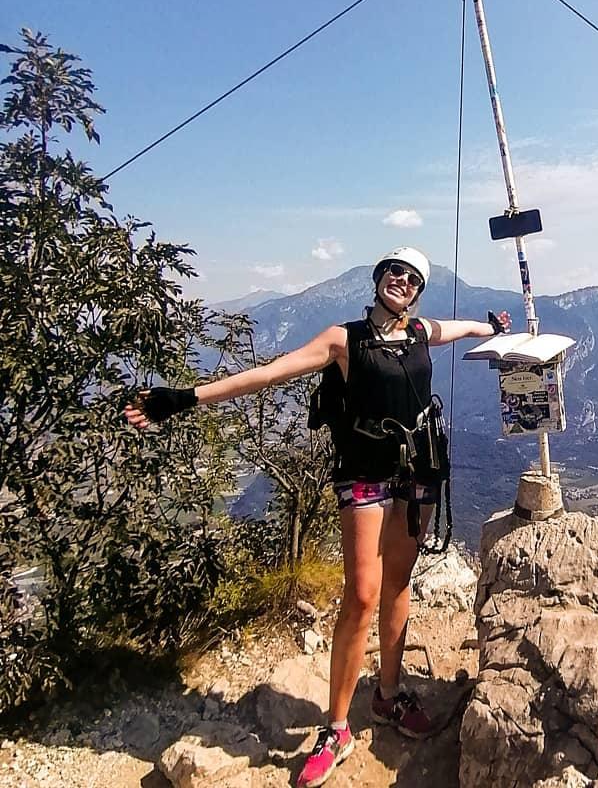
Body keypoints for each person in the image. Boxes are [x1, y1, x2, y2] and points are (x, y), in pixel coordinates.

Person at [123, 246, 510, 788]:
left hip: (417, 471)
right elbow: (269, 374)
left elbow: (460, 328)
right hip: (365, 477)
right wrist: (184, 399)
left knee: (399, 584)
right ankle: (336, 727)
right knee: (362, 595)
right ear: (378, 278)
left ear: (419, 292)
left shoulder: (421, 331)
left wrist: (491, 326)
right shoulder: (343, 340)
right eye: (394, 271)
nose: (402, 280)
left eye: (413, 278)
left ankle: (388, 696)